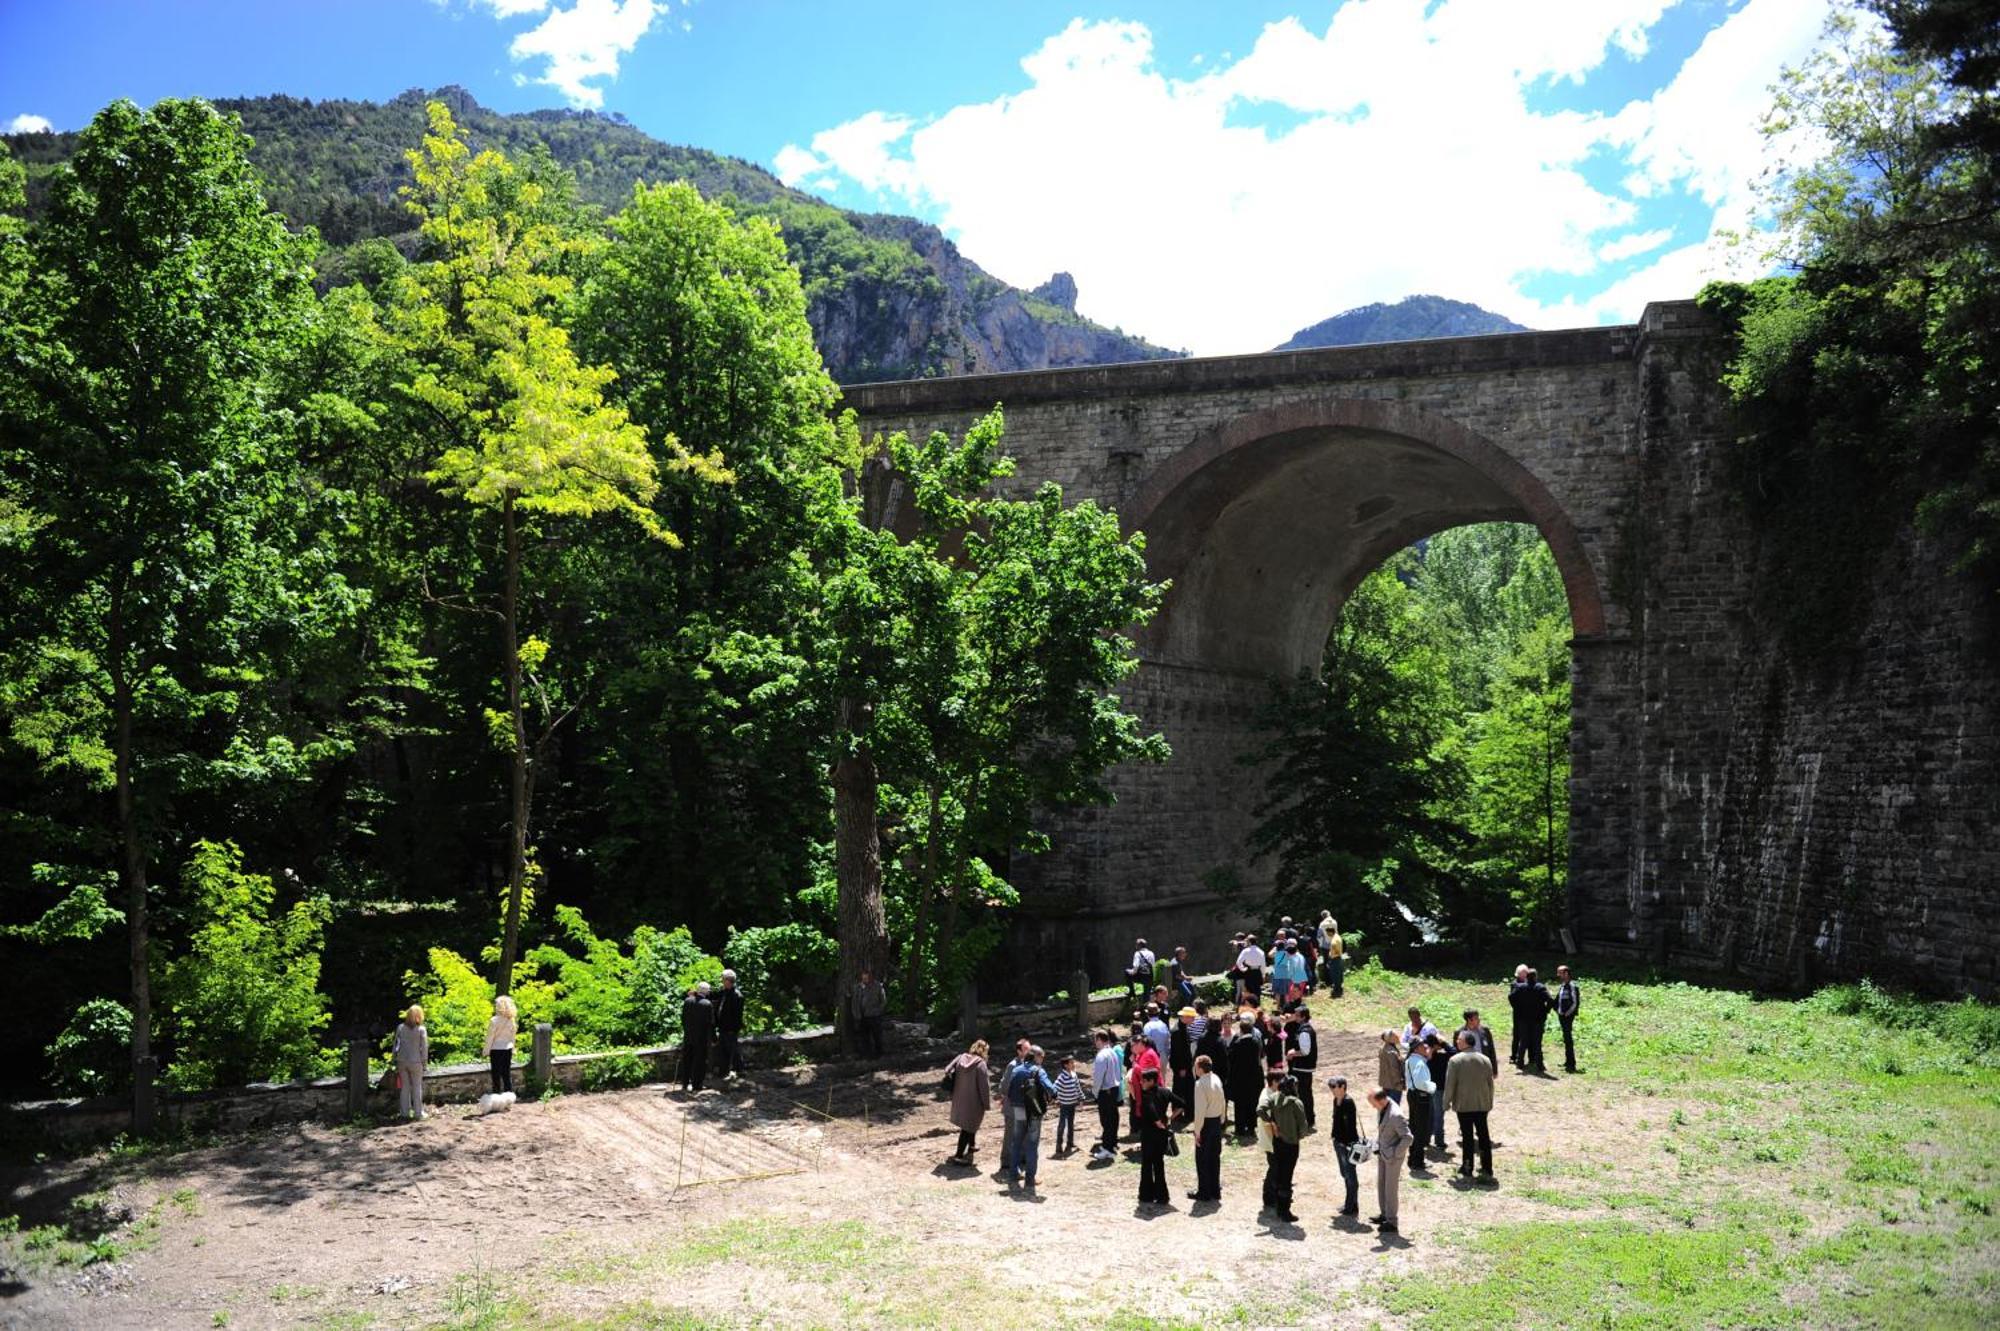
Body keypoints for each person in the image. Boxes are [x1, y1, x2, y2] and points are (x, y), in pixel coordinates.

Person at [1003, 1045, 1060, 1189]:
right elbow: (1051, 1090)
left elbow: (1008, 1090)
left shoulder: (1016, 1070)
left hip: (1018, 1110)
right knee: (1032, 1144)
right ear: (1036, 1056)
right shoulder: (1039, 1071)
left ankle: (1013, 1175)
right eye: (1041, 1057)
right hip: (1034, 1111)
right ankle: (1030, 1179)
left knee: (1016, 1142)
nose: (1042, 1060)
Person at [1444, 1030, 1496, 1181]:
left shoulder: (1455, 1061)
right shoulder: (1485, 1059)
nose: (1457, 1042)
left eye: (1459, 1040)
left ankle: (1467, 1166)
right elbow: (1490, 1083)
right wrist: (1489, 1101)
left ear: (1466, 1042)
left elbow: (1450, 1084)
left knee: (1467, 1136)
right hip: (1482, 1104)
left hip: (1464, 1104)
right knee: (1484, 1136)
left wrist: (1446, 1102)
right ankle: (1487, 1167)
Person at [1259, 1073, 1308, 1223]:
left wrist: (1273, 1122)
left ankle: (1278, 1206)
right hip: (1291, 1145)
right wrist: (1297, 1135)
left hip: (1277, 1142)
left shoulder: (1274, 1098)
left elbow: (1260, 1110)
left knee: (1279, 1175)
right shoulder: (1296, 1103)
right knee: (1287, 1177)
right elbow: (1303, 1127)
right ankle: (1284, 1211)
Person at [1369, 1086, 1414, 1233]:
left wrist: (1395, 1153)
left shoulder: (1395, 1115)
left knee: (1390, 1189)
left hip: (1393, 1158)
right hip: (1383, 1153)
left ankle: (1392, 1221)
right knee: (1381, 1184)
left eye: (1373, 1103)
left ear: (1381, 1100)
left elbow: (1408, 1138)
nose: (1372, 1106)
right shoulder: (1383, 1107)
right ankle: (1384, 1215)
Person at [1136, 1068, 1181, 1207]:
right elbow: (1182, 1103)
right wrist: (1170, 1117)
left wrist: (1158, 1121)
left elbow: (1150, 1108)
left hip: (1149, 1135)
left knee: (1147, 1165)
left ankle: (1146, 1195)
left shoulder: (1147, 1095)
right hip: (1161, 1135)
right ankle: (1162, 1195)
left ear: (1151, 1081)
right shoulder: (1165, 1092)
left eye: (1144, 1080)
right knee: (1159, 1164)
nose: (1141, 1082)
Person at [945, 1039, 991, 1164]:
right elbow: (984, 1087)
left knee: (970, 1124)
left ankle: (972, 1146)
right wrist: (986, 1103)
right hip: (974, 1101)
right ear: (984, 1051)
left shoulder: (960, 1057)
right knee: (968, 1127)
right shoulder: (981, 1064)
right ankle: (959, 1155)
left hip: (959, 1098)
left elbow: (947, 1069)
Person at [1189, 1053, 1226, 1202]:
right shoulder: (1216, 1078)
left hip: (1206, 1124)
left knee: (1202, 1159)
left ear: (1199, 1068)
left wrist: (1197, 1131)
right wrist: (1222, 1119)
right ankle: (1215, 1189)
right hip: (1216, 1122)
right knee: (1214, 1158)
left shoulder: (1200, 1084)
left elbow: (1200, 1110)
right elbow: (1223, 1100)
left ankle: (1204, 1192)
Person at [996, 1037, 1032, 1176]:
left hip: (1024, 1106)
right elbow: (1004, 1087)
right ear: (1019, 1051)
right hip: (1012, 1107)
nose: (1029, 1051)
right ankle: (1006, 1162)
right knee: (1010, 1135)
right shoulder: (1013, 1065)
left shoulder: (1029, 1065)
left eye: (1030, 1049)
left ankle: (1021, 1159)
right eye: (1026, 1049)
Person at [1327, 1075, 1360, 1216]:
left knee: (1350, 1174)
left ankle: (1351, 1205)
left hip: (1347, 1144)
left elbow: (1350, 1127)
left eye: (1334, 1087)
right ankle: (1351, 1204)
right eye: (1331, 1087)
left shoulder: (1348, 1102)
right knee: (1345, 1174)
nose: (1332, 1090)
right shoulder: (1337, 1100)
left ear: (1342, 1087)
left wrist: (1349, 1144)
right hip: (1339, 1142)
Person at [1227, 1017, 1265, 1138]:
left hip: (1240, 1079)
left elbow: (1231, 1058)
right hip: (1254, 1078)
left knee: (1240, 1104)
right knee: (1252, 1103)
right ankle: (1252, 1127)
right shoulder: (1256, 1041)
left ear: (1241, 1030)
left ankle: (1240, 1128)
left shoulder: (1237, 1043)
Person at [1404, 1035, 1436, 1174]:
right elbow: (1420, 1084)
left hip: (1414, 1096)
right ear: (1417, 1048)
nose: (1426, 1047)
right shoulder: (1419, 1062)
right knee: (1421, 1129)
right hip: (1421, 1097)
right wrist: (1433, 1086)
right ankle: (1417, 1160)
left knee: (1415, 1126)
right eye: (1424, 1045)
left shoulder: (1412, 1060)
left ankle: (1413, 1158)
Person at [1090, 1028, 1124, 1160]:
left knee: (1106, 1120)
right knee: (1113, 1117)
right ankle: (1112, 1142)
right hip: (1114, 1088)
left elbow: (1098, 1077)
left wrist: (1095, 1092)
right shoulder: (1112, 1052)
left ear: (1099, 1040)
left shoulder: (1102, 1055)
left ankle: (1107, 1148)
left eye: (1095, 1040)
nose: (1095, 1043)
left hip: (1106, 1090)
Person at [393, 1004, 429, 1121]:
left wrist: (395, 1059)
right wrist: (425, 1062)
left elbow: (396, 1045)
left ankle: (404, 1112)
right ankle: (418, 1113)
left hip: (402, 1061)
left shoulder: (400, 1028)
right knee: (417, 1087)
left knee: (405, 1087)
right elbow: (424, 1048)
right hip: (416, 1061)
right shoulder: (421, 1029)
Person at [1284, 1007, 1317, 1129]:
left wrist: (1293, 1053)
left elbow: (1305, 1051)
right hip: (1304, 1068)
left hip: (1302, 1068)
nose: (1295, 1017)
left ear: (1303, 1017)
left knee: (1304, 1095)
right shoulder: (1305, 1029)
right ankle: (1308, 1118)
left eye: (1297, 1015)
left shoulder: (1304, 1031)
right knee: (1305, 1094)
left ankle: (1307, 1119)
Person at [1424, 1029, 1454, 1157]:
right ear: (1437, 1045)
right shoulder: (1442, 1057)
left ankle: (1426, 1139)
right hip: (1439, 1089)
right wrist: (1444, 1043)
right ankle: (1439, 1141)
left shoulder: (1423, 1057)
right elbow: (1454, 1053)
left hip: (1426, 1088)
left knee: (1428, 1114)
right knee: (1438, 1115)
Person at [1127, 1032, 1163, 1141]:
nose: (1131, 1048)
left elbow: (1147, 1074)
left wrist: (1134, 1064)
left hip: (1150, 1093)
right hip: (1142, 1092)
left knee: (1152, 1117)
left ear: (1140, 1044)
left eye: (1133, 1045)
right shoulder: (1141, 1054)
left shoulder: (1149, 1054)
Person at [681, 982, 716, 1092]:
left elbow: (683, 1018)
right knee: (699, 1062)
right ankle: (697, 1085)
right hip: (701, 1038)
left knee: (687, 1060)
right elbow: (710, 1023)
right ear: (706, 992)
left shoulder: (687, 1001)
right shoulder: (707, 1004)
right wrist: (714, 1038)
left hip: (688, 1036)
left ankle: (685, 1083)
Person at [1518, 968, 1554, 1072]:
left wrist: (1518, 1009)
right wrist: (1546, 1010)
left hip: (1524, 1019)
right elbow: (1550, 1000)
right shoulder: (1540, 987)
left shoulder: (1521, 987)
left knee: (1523, 1041)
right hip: (1538, 1019)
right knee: (1537, 1042)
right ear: (1535, 977)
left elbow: (1512, 997)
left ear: (1526, 977)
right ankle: (1539, 1065)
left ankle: (1520, 1063)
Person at [714, 969, 746, 1082]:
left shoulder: (737, 996)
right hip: (723, 1026)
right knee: (724, 1049)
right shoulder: (725, 992)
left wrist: (733, 1029)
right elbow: (715, 997)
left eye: (723, 979)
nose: (722, 981)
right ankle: (724, 1071)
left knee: (732, 1049)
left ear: (728, 981)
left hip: (730, 1028)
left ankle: (740, 1070)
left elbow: (737, 1015)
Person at [481, 994, 516, 1095]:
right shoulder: (511, 1020)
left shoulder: (494, 1020)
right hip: (507, 1049)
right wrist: (513, 1049)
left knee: (496, 1074)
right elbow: (512, 1037)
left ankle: (496, 1095)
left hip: (496, 1049)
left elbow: (490, 1038)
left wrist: (486, 1051)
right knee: (506, 1074)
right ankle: (509, 1096)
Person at [1051, 1054, 1085, 1155]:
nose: (1073, 1064)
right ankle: (1059, 1145)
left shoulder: (1074, 1075)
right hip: (1064, 1105)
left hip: (1072, 1104)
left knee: (1071, 1124)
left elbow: (1078, 1088)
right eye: (1071, 1063)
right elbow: (1054, 1088)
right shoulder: (1062, 1077)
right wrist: (1055, 1098)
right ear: (1066, 1065)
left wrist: (1081, 1098)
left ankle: (1070, 1143)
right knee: (1062, 1125)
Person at [851, 969, 887, 1057]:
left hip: (875, 1015)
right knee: (864, 1037)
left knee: (877, 1036)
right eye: (863, 979)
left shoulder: (878, 986)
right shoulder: (858, 987)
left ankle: (879, 1054)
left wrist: (879, 1011)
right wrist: (857, 1014)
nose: (865, 980)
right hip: (862, 1016)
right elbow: (854, 1002)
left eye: (867, 978)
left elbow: (883, 1000)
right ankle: (866, 1054)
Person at [1169, 1007, 1196, 1121]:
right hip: (1182, 1067)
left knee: (1187, 1089)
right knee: (1181, 1090)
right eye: (1192, 1017)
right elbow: (1178, 1052)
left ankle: (1187, 1113)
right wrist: (1182, 1068)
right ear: (1185, 1017)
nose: (1194, 1019)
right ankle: (1179, 1114)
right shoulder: (1177, 1031)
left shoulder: (1182, 1028)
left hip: (1185, 1066)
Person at [1456, 1009, 1500, 1075]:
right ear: (1469, 1020)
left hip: (1483, 1066)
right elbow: (1456, 1053)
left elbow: (1491, 1050)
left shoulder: (1485, 1031)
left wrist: (1494, 1070)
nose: (1479, 1020)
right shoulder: (1459, 1032)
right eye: (1476, 1018)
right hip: (1467, 1068)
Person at [1554, 964, 1581, 1072]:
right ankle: (1567, 1061)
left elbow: (1575, 1002)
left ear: (1566, 973)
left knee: (1568, 1039)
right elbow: (1558, 1001)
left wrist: (1567, 1014)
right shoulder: (1562, 986)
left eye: (1559, 973)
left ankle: (1572, 1063)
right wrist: (1557, 1011)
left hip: (1567, 1017)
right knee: (1566, 1039)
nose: (1558, 975)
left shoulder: (1573, 986)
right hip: (1562, 1015)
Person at [1508, 963, 1532, 1068]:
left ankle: (1529, 1056)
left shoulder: (1528, 982)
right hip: (1518, 1013)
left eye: (1526, 973)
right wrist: (1517, 1007)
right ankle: (1514, 1055)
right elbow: (1512, 998)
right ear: (1519, 974)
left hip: (1528, 1013)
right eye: (1524, 973)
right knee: (1517, 1035)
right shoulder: (1515, 984)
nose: (1526, 975)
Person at [1376, 1029, 1406, 1104]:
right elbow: (1394, 1069)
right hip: (1394, 1085)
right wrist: (1399, 1082)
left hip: (1386, 1083)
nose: (1398, 1036)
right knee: (1394, 1106)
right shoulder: (1392, 1052)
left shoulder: (1382, 1049)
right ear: (1390, 1039)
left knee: (1387, 1106)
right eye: (1395, 1035)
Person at [1236, 934, 1267, 1004]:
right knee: (1257, 990)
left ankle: (1250, 1005)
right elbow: (1263, 965)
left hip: (1249, 971)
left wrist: (1243, 969)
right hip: (1258, 972)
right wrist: (1263, 975)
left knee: (1249, 990)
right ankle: (1257, 1005)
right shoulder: (1261, 951)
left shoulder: (1246, 951)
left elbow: (1238, 962)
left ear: (1249, 942)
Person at [1126, 938, 1157, 1005]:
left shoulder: (1137, 953)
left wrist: (1131, 973)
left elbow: (1136, 967)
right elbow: (1153, 966)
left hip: (1141, 977)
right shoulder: (1151, 953)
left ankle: (1132, 993)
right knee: (1146, 996)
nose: (1135, 946)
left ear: (1139, 945)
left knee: (1126, 972)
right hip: (1149, 977)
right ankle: (1147, 1011)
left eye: (1136, 944)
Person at [1321, 914, 1345, 997]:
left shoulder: (1334, 941)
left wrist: (1332, 956)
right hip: (1338, 958)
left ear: (1331, 932)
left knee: (1335, 974)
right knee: (1339, 973)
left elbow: (1335, 948)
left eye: (1328, 933)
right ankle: (1339, 987)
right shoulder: (1338, 936)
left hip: (1335, 958)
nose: (1328, 935)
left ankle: (1336, 989)